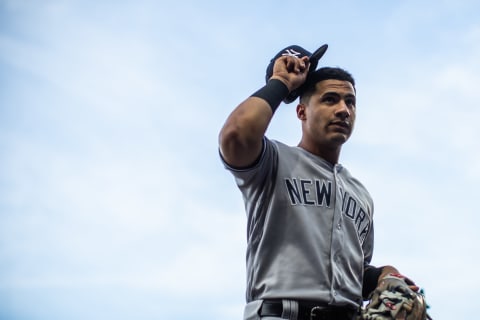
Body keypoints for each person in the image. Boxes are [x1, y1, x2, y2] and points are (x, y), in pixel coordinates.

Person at [218, 45, 416, 320]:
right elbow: (236, 136)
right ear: (301, 113)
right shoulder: (274, 162)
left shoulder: (361, 195)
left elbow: (352, 274)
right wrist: (282, 83)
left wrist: (383, 276)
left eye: (350, 102)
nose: (344, 110)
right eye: (330, 99)